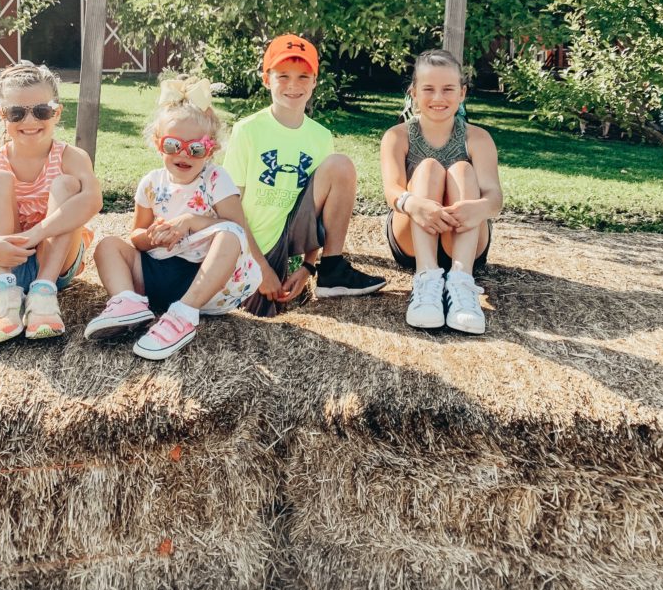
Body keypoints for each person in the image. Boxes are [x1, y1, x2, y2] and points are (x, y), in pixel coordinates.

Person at [85, 76, 261, 360]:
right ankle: (128, 302)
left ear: (211, 149)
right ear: (158, 143)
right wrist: (152, 236)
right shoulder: (151, 183)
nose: (183, 154)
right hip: (154, 276)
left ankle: (183, 315)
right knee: (108, 245)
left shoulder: (216, 179)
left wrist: (190, 221)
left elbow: (236, 229)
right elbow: (136, 237)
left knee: (230, 236)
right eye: (172, 145)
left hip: (202, 281)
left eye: (195, 148)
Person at [223, 34, 386, 318]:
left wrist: (309, 265)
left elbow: (318, 211)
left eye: (303, 77)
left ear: (314, 82)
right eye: (283, 76)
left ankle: (331, 270)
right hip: (254, 245)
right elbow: (230, 207)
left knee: (340, 165)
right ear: (266, 79)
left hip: (293, 233)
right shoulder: (247, 130)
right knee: (253, 316)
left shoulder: (320, 136)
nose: (293, 85)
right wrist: (259, 266)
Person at [0, 62, 102, 346]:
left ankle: (43, 295)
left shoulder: (72, 158)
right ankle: (1, 295)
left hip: (56, 264)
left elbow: (93, 200)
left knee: (67, 185)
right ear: (2, 115)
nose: (29, 121)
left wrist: (35, 235)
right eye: (16, 113)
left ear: (56, 112)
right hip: (1, 259)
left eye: (41, 111)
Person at [380, 49, 503, 335]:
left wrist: (478, 208)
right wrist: (415, 205)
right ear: (413, 93)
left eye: (448, 89)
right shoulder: (397, 136)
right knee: (427, 168)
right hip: (411, 239)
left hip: (465, 240)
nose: (438, 98)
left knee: (462, 170)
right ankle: (426, 280)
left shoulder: (478, 138)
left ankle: (461, 281)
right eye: (428, 89)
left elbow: (495, 198)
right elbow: (391, 190)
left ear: (462, 93)